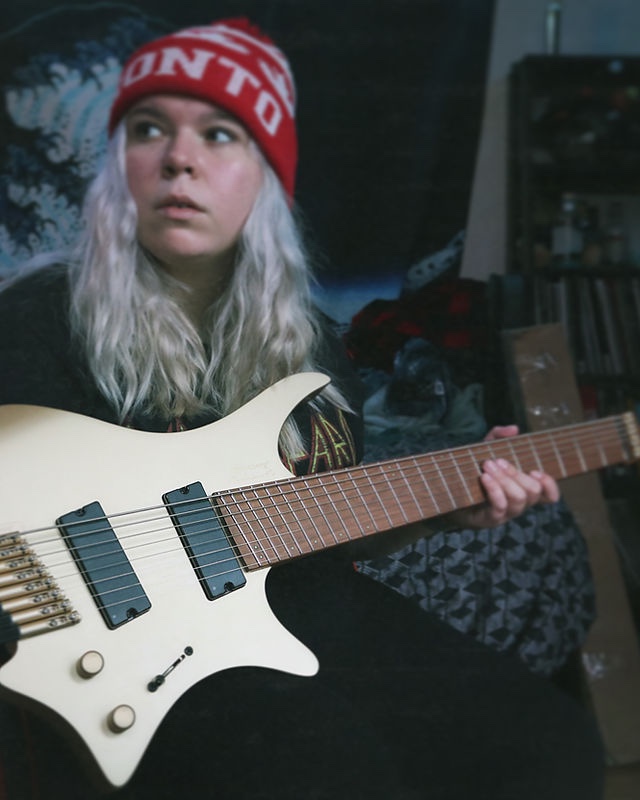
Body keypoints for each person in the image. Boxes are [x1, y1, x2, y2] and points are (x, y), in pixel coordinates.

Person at [0, 17, 603, 800]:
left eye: (220, 134)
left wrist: (445, 511)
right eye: (149, 129)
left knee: (549, 746)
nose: (179, 157)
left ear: (266, 177)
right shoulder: (39, 318)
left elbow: (321, 517)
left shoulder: (307, 345)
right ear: (120, 165)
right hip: (145, 653)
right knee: (335, 773)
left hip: (295, 602)